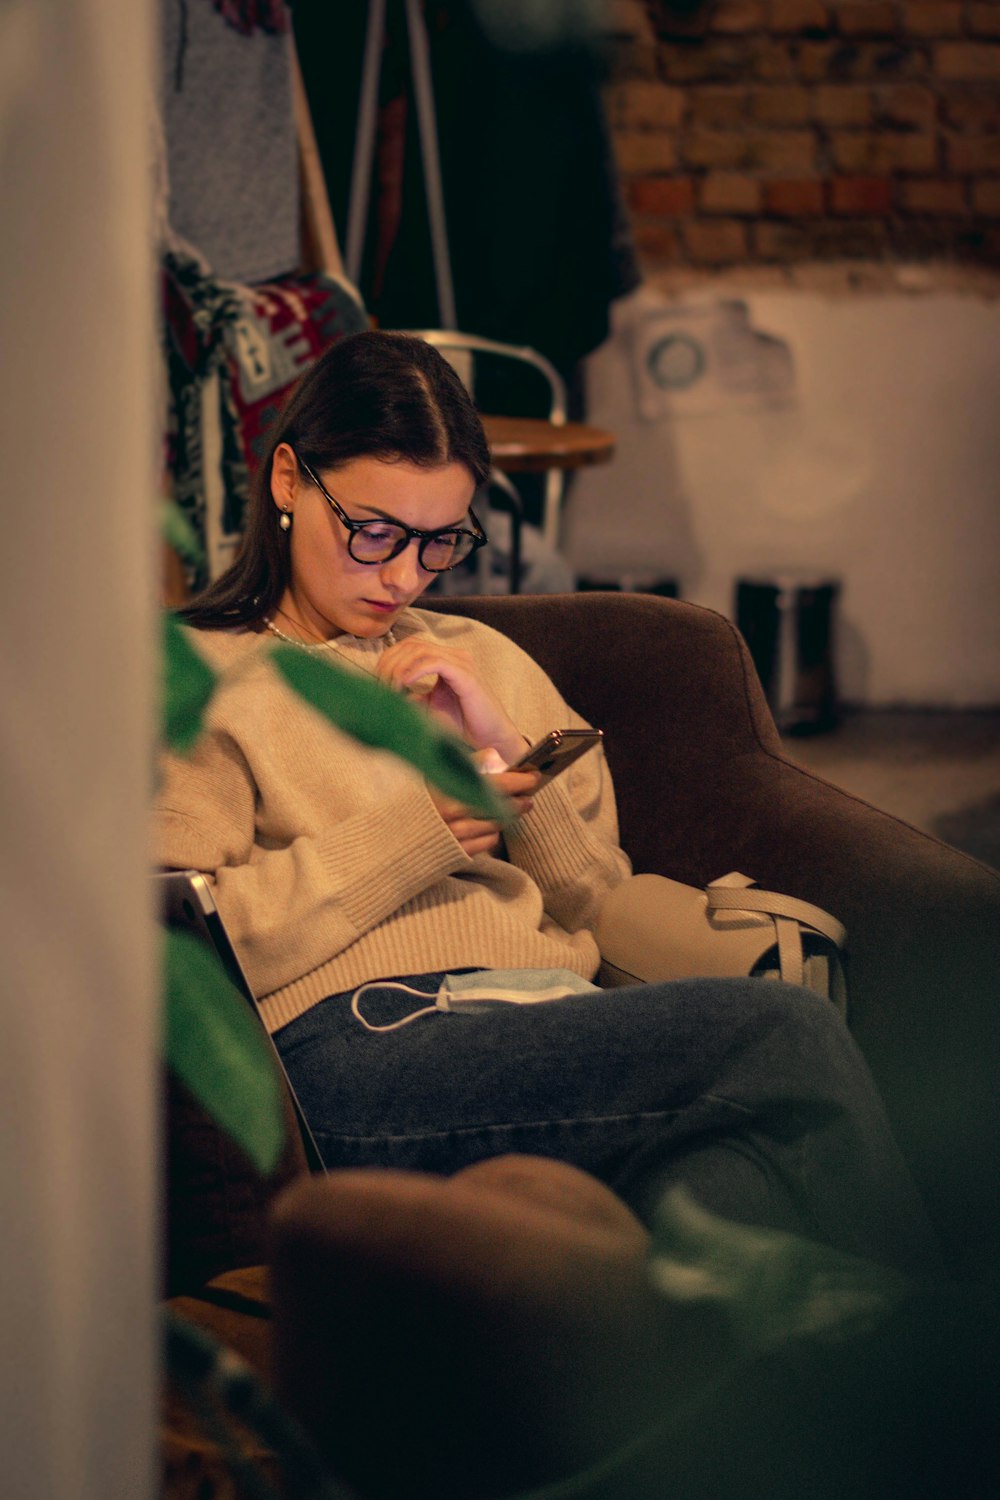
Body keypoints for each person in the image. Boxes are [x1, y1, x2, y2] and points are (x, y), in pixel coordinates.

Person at [157, 329, 941, 1281]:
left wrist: (505, 758)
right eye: (375, 531)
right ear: (288, 481)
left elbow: (592, 901)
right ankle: (948, 1366)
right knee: (784, 1030)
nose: (405, 575)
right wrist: (420, 837)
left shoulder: (477, 657)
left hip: (548, 1019)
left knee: (719, 1189)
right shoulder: (200, 677)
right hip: (358, 1048)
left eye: (441, 541)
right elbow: (182, 946)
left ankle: (745, 1413)